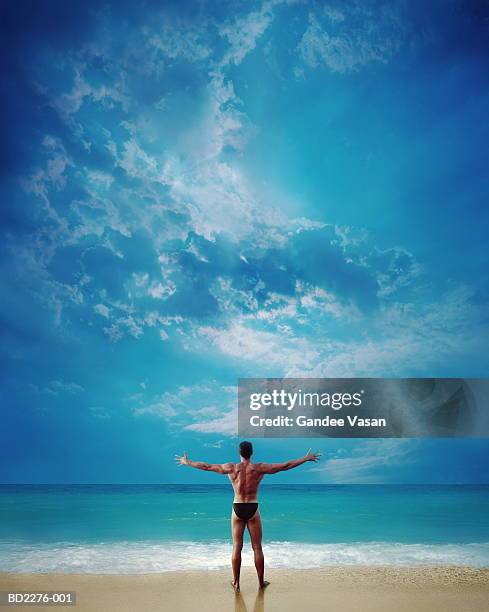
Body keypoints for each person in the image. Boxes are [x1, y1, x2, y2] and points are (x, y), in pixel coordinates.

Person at [175, 441, 321, 590]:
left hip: (237, 507)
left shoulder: (231, 468)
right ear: (251, 453)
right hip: (252, 506)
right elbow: (284, 466)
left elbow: (206, 466)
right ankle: (260, 583)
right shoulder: (259, 468)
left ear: (239, 453)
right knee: (257, 547)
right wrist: (305, 458)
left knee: (237, 547)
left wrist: (188, 462)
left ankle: (237, 583)